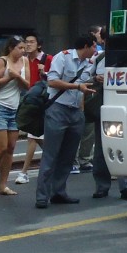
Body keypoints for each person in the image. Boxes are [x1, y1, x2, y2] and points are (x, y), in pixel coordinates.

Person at [35, 34, 98, 209]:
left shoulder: (89, 64)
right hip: (58, 110)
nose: (96, 50)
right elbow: (52, 81)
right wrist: (77, 86)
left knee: (68, 156)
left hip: (76, 112)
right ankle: (42, 196)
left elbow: (85, 85)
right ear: (86, 46)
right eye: (94, 46)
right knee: (51, 155)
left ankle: (59, 192)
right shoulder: (62, 57)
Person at [88, 38, 127, 202]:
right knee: (101, 148)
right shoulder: (99, 58)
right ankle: (102, 186)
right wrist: (96, 79)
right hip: (103, 106)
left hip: (121, 107)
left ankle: (126, 187)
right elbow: (87, 76)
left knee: (121, 145)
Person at [0, 35, 29, 196]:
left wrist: (18, 77)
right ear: (11, 48)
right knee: (1, 147)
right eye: (19, 48)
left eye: (24, 48)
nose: (23, 51)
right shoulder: (3, 61)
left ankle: (3, 185)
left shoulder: (25, 62)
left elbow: (27, 85)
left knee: (10, 148)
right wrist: (10, 76)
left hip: (15, 108)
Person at [15, 33, 51, 184]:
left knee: (32, 136)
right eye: (26, 42)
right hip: (28, 101)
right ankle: (59, 160)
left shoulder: (47, 59)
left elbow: (56, 79)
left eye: (31, 42)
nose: (28, 45)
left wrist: (46, 73)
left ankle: (24, 172)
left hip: (42, 102)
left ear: (39, 45)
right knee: (38, 138)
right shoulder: (22, 61)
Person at [74, 25, 104, 174]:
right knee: (75, 132)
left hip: (90, 100)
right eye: (94, 45)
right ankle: (72, 162)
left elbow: (88, 78)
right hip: (73, 102)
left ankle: (84, 160)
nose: (96, 47)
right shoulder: (66, 58)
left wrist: (94, 79)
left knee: (89, 132)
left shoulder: (93, 59)